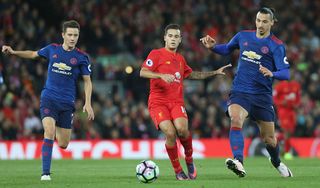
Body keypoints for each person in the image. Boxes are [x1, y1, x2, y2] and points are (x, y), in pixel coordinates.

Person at [200, 7, 293, 177]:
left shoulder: (276, 46)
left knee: (269, 140)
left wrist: (273, 73)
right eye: (258, 20)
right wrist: (213, 47)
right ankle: (238, 161)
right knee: (236, 119)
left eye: (265, 21)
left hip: (262, 96)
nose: (260, 24)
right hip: (240, 91)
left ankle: (276, 162)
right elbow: (227, 48)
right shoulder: (243, 36)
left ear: (272, 22)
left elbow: (286, 73)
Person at [2, 20, 94, 181]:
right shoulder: (52, 49)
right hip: (49, 98)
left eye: (76, 35)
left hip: (67, 103)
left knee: (63, 144)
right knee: (49, 131)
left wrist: (88, 102)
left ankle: (55, 136)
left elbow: (87, 81)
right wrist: (14, 52)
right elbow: (32, 54)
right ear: (63, 35)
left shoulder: (82, 58)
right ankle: (45, 173)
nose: (73, 38)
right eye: (70, 35)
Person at [140, 24, 231, 180]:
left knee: (182, 130)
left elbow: (192, 74)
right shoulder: (156, 54)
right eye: (170, 36)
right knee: (170, 132)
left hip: (176, 102)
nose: (173, 39)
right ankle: (178, 170)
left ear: (180, 39)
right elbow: (143, 72)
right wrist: (160, 75)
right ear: (165, 38)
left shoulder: (180, 59)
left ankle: (189, 160)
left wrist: (214, 73)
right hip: (158, 102)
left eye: (176, 37)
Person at [273, 79, 301, 159]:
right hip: (283, 111)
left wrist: (297, 105)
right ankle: (287, 152)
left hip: (292, 111)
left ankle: (278, 138)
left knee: (290, 132)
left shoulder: (296, 85)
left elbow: (298, 97)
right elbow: (275, 98)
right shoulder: (280, 86)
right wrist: (281, 102)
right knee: (286, 131)